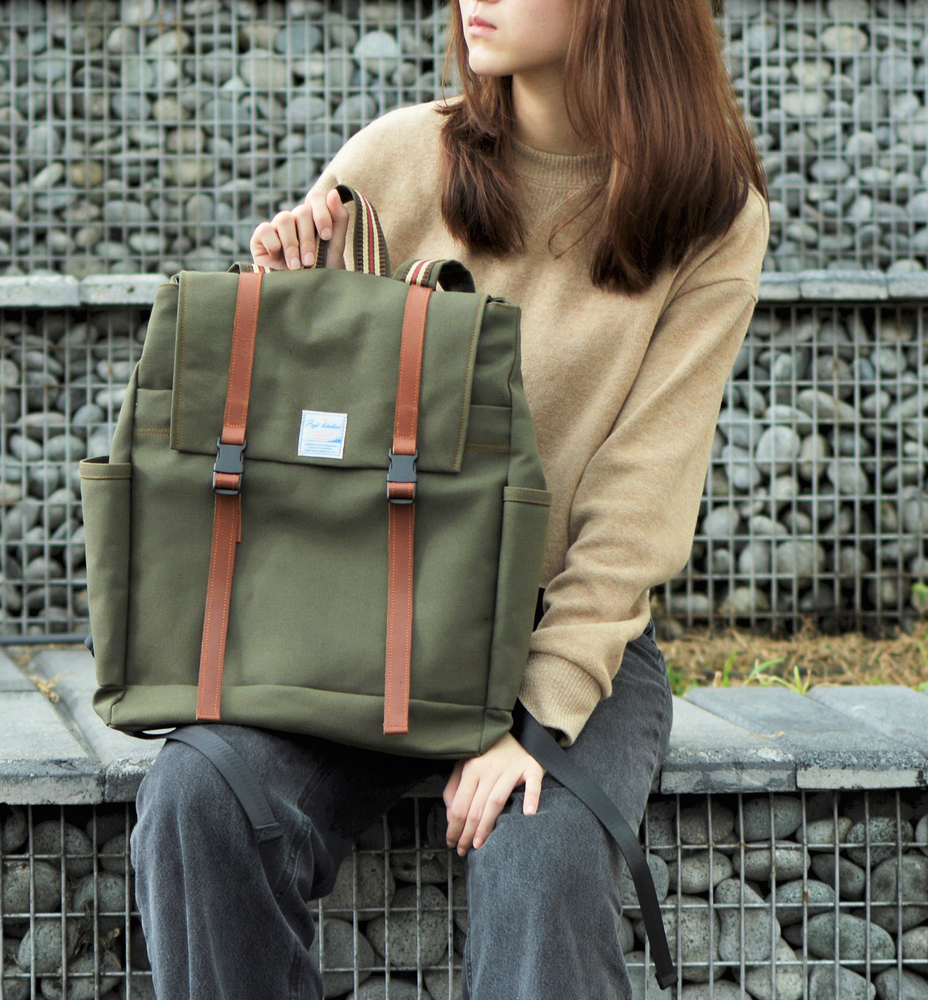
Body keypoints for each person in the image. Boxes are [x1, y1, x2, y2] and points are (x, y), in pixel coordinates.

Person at [130, 0, 770, 996]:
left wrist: (540, 721)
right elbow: (309, 449)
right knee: (197, 795)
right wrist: (295, 298)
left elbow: (639, 498)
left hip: (560, 632)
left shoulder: (710, 217)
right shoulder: (396, 159)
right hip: (364, 622)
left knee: (542, 853)